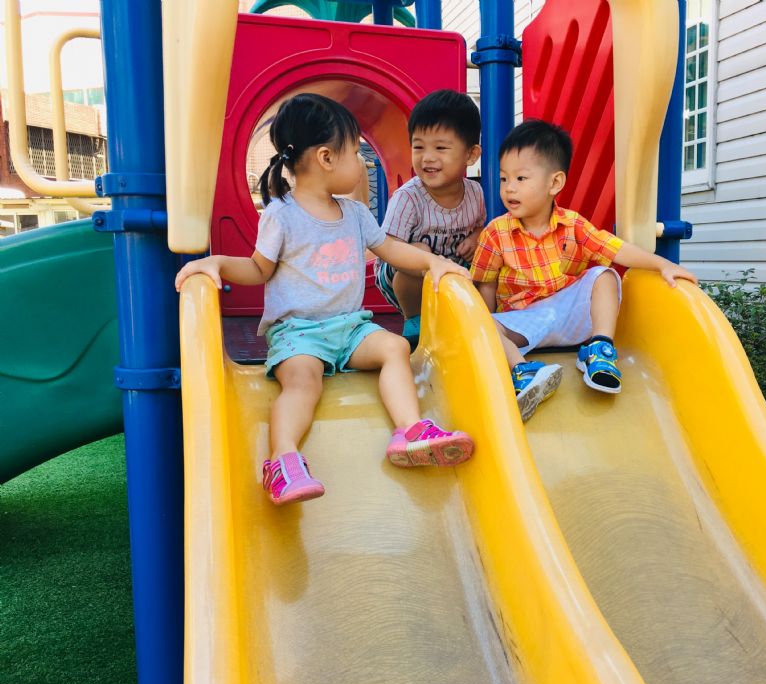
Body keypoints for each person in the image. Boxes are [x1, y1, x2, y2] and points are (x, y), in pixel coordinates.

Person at [174, 94, 475, 505]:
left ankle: (410, 430)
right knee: (303, 382)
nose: (362, 161)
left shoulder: (355, 213)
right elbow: (259, 269)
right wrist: (219, 264)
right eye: (355, 152)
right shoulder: (282, 214)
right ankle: (282, 460)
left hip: (349, 328)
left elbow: (390, 249)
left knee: (394, 347)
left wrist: (432, 262)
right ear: (326, 158)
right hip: (299, 332)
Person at [470, 119, 698, 421]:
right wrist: (487, 332)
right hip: (524, 323)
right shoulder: (495, 233)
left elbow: (614, 248)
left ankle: (599, 348)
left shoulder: (573, 225)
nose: (509, 188)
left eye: (521, 178)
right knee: (481, 322)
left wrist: (662, 264)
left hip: (569, 318)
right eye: (503, 178)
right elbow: (485, 284)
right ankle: (523, 371)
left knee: (604, 275)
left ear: (555, 183)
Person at [374, 89, 486, 343]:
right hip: (402, 277)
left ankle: (477, 315)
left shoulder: (475, 193)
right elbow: (388, 247)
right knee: (420, 252)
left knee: (487, 258)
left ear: (471, 155)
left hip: (449, 270)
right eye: (419, 147)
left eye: (440, 148)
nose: (427, 158)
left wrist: (475, 238)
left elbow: (480, 227)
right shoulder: (408, 197)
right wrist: (426, 260)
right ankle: (414, 319)